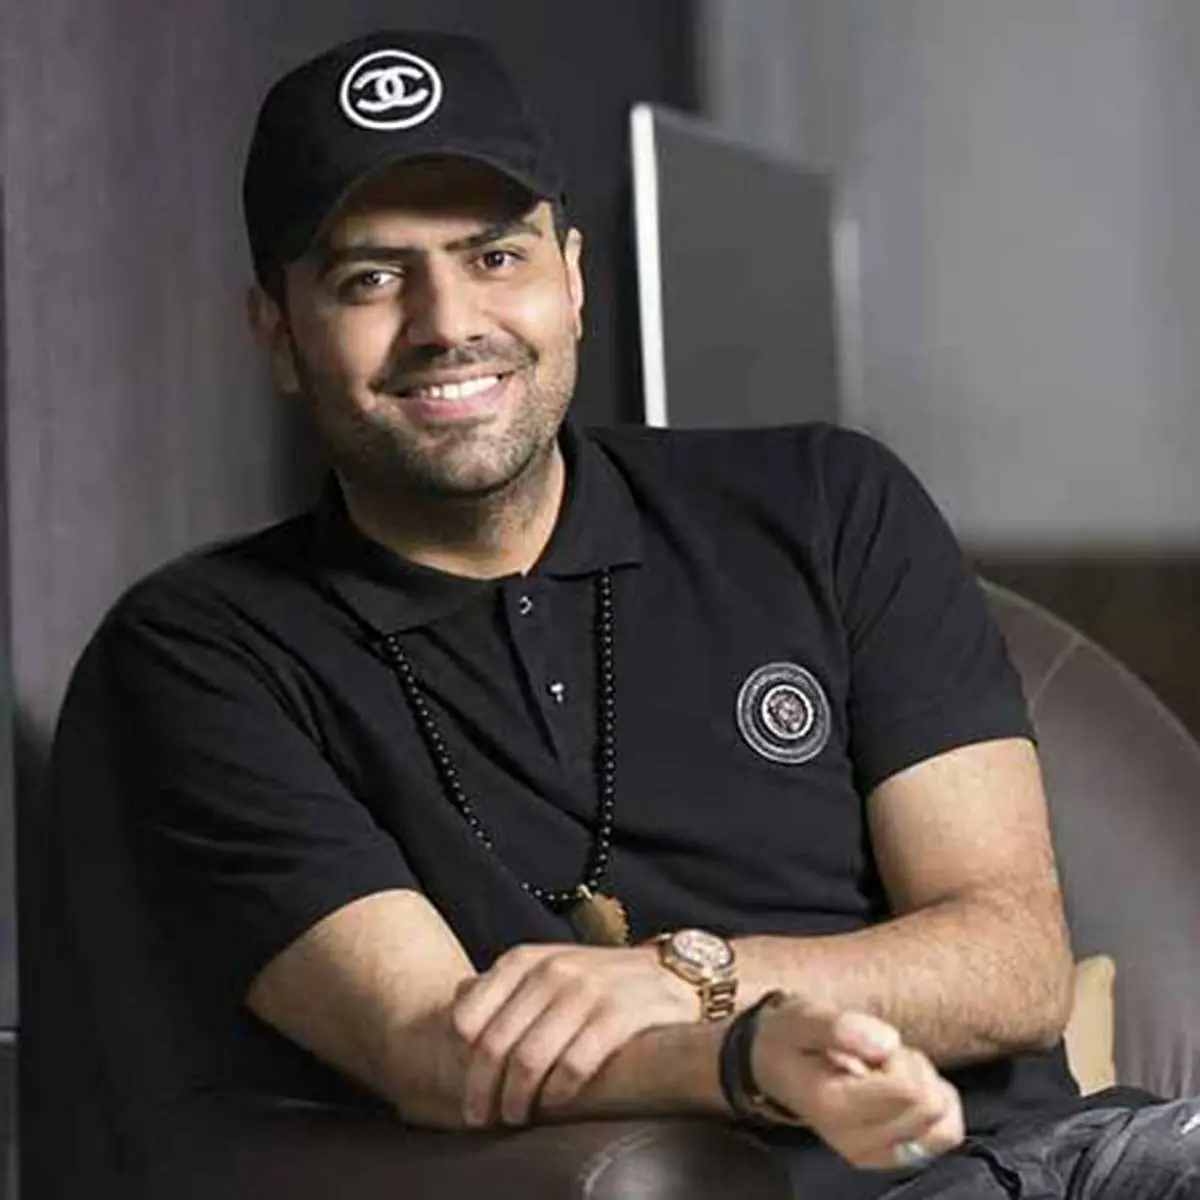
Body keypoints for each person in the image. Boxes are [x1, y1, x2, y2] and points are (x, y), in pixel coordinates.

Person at [51, 29, 1199, 1200]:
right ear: (279, 335)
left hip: (1087, 1163)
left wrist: (687, 979)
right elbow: (432, 1044)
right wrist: (750, 1051)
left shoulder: (827, 501)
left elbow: (1014, 962)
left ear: (574, 279)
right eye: (371, 279)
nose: (447, 321)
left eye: (495, 256)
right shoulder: (206, 654)